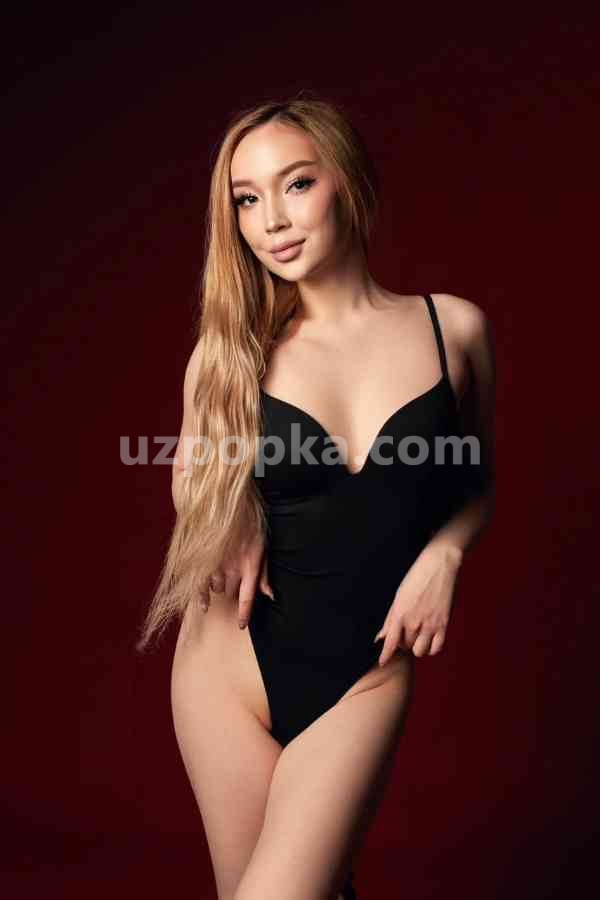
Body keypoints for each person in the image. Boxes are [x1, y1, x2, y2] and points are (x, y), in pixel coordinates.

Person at [136, 96, 496, 900]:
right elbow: (190, 481)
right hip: (227, 672)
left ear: (348, 181)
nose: (271, 220)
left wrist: (445, 554)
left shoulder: (453, 330)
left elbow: (476, 477)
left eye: (296, 184)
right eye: (247, 199)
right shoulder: (231, 354)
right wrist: (228, 514)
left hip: (366, 673)